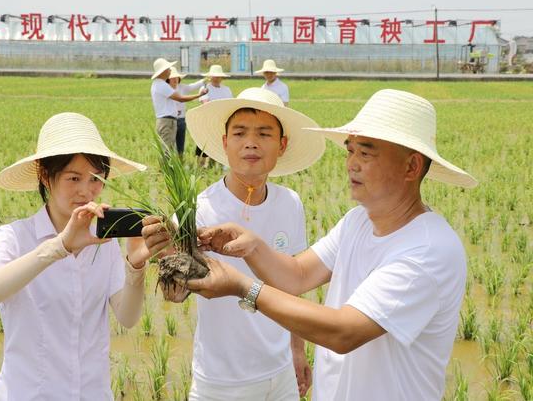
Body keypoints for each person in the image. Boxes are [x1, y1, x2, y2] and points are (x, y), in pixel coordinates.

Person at [188, 89, 479, 401]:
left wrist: (243, 286)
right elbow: (297, 275)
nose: (351, 164)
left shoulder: (427, 250)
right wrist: (250, 244)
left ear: (411, 167)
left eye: (366, 153)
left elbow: (343, 332)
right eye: (350, 151)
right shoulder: (358, 222)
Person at [142, 88, 326, 400]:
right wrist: (166, 257)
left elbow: (294, 285)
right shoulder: (197, 209)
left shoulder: (289, 203)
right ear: (225, 143)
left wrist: (298, 351)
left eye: (264, 133)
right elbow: (175, 297)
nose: (251, 142)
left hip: (280, 373)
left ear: (282, 145)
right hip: (220, 381)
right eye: (239, 133)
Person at [0, 112, 154, 400]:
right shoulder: (15, 237)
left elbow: (127, 317)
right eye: (73, 178)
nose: (86, 191)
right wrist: (58, 247)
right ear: (45, 175)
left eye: (96, 179)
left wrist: (136, 266)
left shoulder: (103, 243)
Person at [151, 58, 207, 150]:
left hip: (169, 120)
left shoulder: (159, 84)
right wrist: (199, 95)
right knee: (167, 151)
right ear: (163, 71)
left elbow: (190, 87)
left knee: (170, 150)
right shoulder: (162, 85)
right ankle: (166, 165)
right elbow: (180, 98)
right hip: (167, 121)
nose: (170, 71)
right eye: (168, 69)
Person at [195, 64, 233, 167]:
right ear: (210, 76)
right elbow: (206, 103)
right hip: (207, 121)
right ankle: (200, 166)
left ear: (222, 77)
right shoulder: (205, 88)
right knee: (203, 144)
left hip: (222, 121)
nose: (216, 78)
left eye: (218, 76)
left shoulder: (227, 90)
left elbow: (230, 105)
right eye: (214, 76)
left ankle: (214, 166)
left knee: (218, 144)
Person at [167, 66, 206, 156]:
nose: (175, 79)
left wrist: (204, 81)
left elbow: (192, 86)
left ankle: (180, 161)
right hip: (170, 120)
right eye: (172, 77)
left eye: (176, 77)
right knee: (170, 144)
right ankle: (170, 164)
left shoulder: (182, 88)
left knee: (180, 143)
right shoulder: (166, 89)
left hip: (181, 119)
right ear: (168, 79)